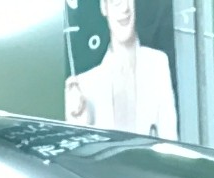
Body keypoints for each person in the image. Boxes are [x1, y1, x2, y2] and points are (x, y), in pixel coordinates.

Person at [66, 0, 179, 138]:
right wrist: (79, 124)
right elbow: (78, 147)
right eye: (116, 1)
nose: (125, 8)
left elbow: (170, 139)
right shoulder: (84, 86)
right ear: (104, 7)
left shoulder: (157, 64)